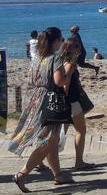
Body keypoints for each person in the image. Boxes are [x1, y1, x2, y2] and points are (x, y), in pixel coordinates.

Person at [8, 27, 74, 192]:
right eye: (61, 40)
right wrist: (69, 71)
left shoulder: (37, 57)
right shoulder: (55, 58)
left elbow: (31, 78)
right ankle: (22, 174)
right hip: (51, 100)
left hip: (36, 98)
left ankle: (58, 175)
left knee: (50, 140)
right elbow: (59, 81)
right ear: (56, 41)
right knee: (49, 141)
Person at [59, 36, 94, 170]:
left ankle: (42, 160)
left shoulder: (62, 61)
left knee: (60, 133)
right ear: (70, 49)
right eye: (77, 46)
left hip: (69, 103)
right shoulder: (70, 64)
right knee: (81, 131)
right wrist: (65, 103)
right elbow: (65, 85)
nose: (80, 48)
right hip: (72, 103)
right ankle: (79, 162)